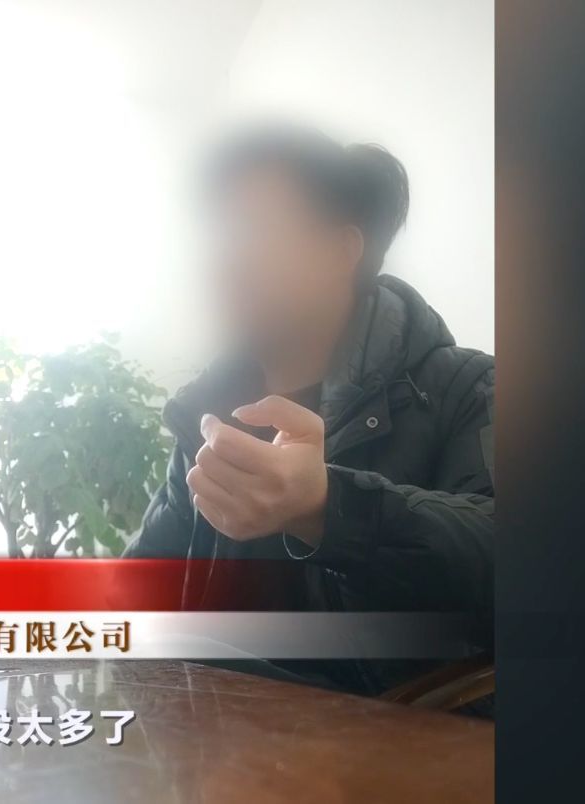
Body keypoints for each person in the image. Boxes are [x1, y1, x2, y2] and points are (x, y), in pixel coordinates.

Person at [123, 124, 495, 696]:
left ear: (338, 252)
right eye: (216, 229)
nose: (219, 260)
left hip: (397, 742)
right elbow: (139, 589)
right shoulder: (211, 412)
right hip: (213, 737)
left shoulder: (465, 387)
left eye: (250, 228)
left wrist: (328, 507)